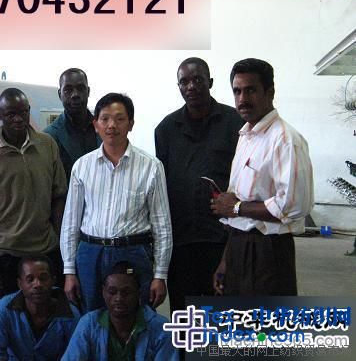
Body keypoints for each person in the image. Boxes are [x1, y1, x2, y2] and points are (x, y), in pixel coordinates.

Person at [60, 93, 172, 313]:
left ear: (131, 124)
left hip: (133, 252)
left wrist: (160, 275)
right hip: (90, 254)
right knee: (91, 318)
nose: (111, 125)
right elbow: (70, 223)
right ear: (96, 125)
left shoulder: (151, 166)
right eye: (105, 119)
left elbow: (162, 225)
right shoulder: (82, 166)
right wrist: (69, 271)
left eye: (120, 119)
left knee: (136, 318)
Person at [211, 58, 314, 296]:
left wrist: (237, 207)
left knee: (265, 320)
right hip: (239, 245)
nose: (242, 99)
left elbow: (293, 206)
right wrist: (226, 261)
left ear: (270, 92)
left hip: (268, 252)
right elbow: (235, 209)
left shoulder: (285, 140)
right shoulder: (246, 137)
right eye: (237, 91)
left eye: (251, 90)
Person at [155, 57, 243, 314]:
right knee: (184, 315)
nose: (191, 86)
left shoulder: (235, 124)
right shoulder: (166, 129)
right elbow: (163, 185)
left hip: (223, 239)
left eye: (197, 80)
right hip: (181, 241)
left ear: (210, 82)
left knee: (224, 314)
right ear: (179, 87)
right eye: (184, 82)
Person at [0, 88, 67, 318]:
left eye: (23, 112)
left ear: (29, 111)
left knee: (49, 319)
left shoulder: (47, 145)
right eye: (10, 114)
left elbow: (59, 196)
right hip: (6, 256)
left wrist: (60, 244)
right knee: (7, 322)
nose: (18, 119)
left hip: (45, 251)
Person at [61, 261, 178, 361]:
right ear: (103, 292)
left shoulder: (161, 328)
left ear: (139, 293)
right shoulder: (89, 323)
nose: (118, 298)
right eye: (112, 292)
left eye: (126, 292)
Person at [0, 255, 80, 361]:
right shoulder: (6, 307)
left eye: (43, 278)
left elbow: (77, 355)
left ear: (53, 280)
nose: (37, 284)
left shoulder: (71, 314)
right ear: (20, 284)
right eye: (30, 279)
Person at [44, 68, 101, 182]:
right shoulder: (49, 136)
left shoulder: (103, 128)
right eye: (68, 90)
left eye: (80, 88)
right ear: (60, 94)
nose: (75, 95)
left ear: (88, 91)